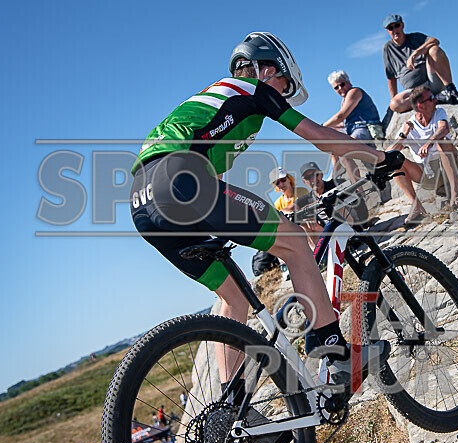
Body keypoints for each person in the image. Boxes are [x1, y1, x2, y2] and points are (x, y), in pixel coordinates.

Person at [130, 32, 404, 395]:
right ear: (266, 68)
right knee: (293, 241)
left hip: (142, 199)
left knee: (233, 297)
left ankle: (231, 407)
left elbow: (215, 178)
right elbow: (319, 135)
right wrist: (382, 157)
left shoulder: (212, 101)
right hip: (181, 178)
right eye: (283, 83)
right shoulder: (254, 90)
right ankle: (337, 354)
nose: (282, 93)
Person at [388, 86, 458, 223]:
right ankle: (416, 207)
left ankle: (456, 192)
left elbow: (444, 128)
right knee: (394, 161)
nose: (435, 100)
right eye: (431, 98)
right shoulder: (410, 125)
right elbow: (388, 154)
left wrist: (429, 143)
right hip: (430, 176)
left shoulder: (438, 112)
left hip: (454, 166)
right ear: (420, 106)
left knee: (443, 140)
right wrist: (403, 135)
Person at [382, 14, 458, 113]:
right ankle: (435, 99)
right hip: (415, 92)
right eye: (391, 28)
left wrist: (415, 53)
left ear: (402, 25)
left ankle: (450, 90)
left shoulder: (415, 37)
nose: (395, 30)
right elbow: (391, 77)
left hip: (432, 82)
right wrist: (393, 98)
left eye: (397, 26)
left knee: (434, 50)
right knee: (395, 105)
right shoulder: (387, 49)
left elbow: (435, 41)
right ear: (387, 31)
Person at [322, 70, 381, 183]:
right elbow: (344, 122)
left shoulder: (355, 92)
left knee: (344, 151)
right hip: (352, 129)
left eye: (342, 84)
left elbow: (341, 116)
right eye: (336, 87)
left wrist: (321, 127)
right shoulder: (344, 100)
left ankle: (359, 190)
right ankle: (336, 168)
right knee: (328, 134)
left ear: (348, 82)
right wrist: (327, 130)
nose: (340, 88)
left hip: (364, 128)